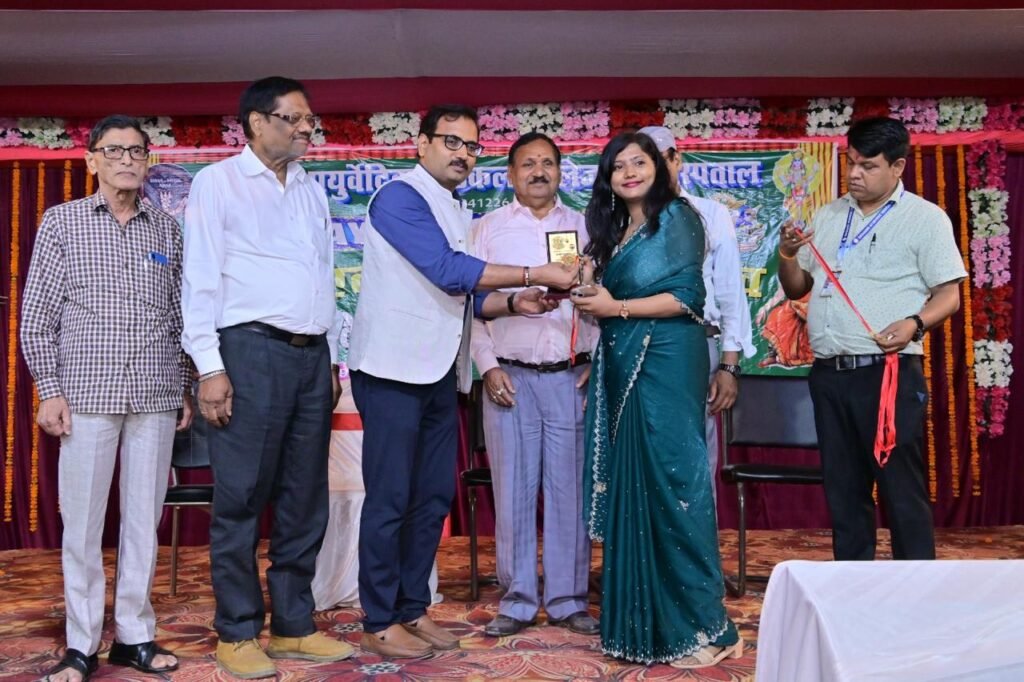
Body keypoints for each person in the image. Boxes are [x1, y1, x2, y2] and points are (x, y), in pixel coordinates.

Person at [347, 105, 578, 659]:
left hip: (438, 372)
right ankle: (379, 618)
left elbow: (470, 298)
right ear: (421, 143)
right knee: (390, 498)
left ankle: (411, 609)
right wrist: (534, 274)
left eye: (472, 146)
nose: (462, 154)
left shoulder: (453, 207)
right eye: (451, 141)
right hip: (392, 370)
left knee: (430, 499)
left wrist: (515, 302)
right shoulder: (399, 197)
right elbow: (449, 272)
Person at [181, 76, 353, 679]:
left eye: (311, 121)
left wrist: (331, 358)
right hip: (247, 351)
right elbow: (200, 278)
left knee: (305, 498)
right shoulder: (218, 182)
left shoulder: (309, 189)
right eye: (295, 119)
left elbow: (323, 277)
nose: (307, 129)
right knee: (242, 497)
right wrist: (210, 367)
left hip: (311, 357)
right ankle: (236, 632)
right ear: (257, 122)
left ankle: (294, 626)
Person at [21, 115, 191, 682]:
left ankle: (134, 637)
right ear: (91, 159)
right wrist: (49, 389)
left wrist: (184, 384)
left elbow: (180, 316)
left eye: (137, 152)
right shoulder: (62, 222)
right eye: (114, 150)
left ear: (148, 162)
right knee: (83, 526)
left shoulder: (166, 230)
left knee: (144, 522)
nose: (126, 160)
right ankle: (81, 644)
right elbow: (37, 317)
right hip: (87, 395)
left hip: (155, 392)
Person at [572, 132, 742, 669]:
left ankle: (711, 628)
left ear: (660, 167)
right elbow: (610, 301)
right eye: (618, 165)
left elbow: (685, 297)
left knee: (676, 483)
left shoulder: (679, 217)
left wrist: (615, 307)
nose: (629, 172)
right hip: (624, 361)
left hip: (667, 358)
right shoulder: (614, 231)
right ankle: (644, 627)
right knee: (637, 488)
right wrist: (591, 292)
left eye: (639, 162)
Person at [777, 117, 966, 561]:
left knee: (901, 489)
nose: (855, 174)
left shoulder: (925, 218)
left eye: (868, 166)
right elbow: (797, 287)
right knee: (843, 491)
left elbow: (949, 296)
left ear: (898, 167)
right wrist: (787, 254)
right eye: (851, 163)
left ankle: (915, 586)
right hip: (829, 373)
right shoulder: (829, 215)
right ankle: (853, 584)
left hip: (887, 373)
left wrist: (915, 323)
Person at [469, 132, 598, 638]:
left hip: (571, 378)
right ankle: (518, 599)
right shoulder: (487, 230)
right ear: (510, 174)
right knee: (513, 493)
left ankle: (568, 599)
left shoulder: (588, 228)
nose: (538, 172)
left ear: (561, 172)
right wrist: (487, 366)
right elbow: (468, 304)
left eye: (548, 163)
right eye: (528, 164)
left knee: (569, 494)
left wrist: (600, 361)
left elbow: (610, 298)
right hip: (510, 378)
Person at [638, 126, 754, 507]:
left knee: (694, 455)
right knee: (641, 454)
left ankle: (698, 543)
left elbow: (731, 293)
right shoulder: (626, 218)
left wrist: (729, 365)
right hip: (637, 348)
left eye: (660, 160)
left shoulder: (710, 214)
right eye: (643, 162)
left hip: (695, 345)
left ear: (677, 160)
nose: (653, 170)